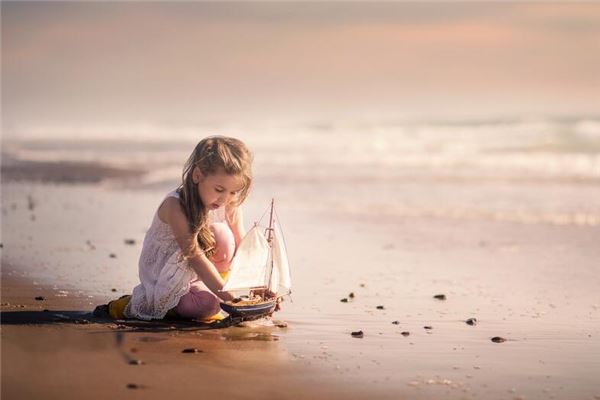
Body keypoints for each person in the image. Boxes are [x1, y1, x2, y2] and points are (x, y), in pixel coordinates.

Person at [119, 135, 254, 321]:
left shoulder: (229, 204)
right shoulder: (175, 206)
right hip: (167, 277)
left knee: (224, 237)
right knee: (207, 306)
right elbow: (194, 257)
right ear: (197, 175)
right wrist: (232, 299)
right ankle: (156, 304)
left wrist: (259, 289)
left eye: (233, 192)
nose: (225, 199)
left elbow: (244, 248)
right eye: (219, 189)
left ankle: (215, 289)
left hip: (200, 276)